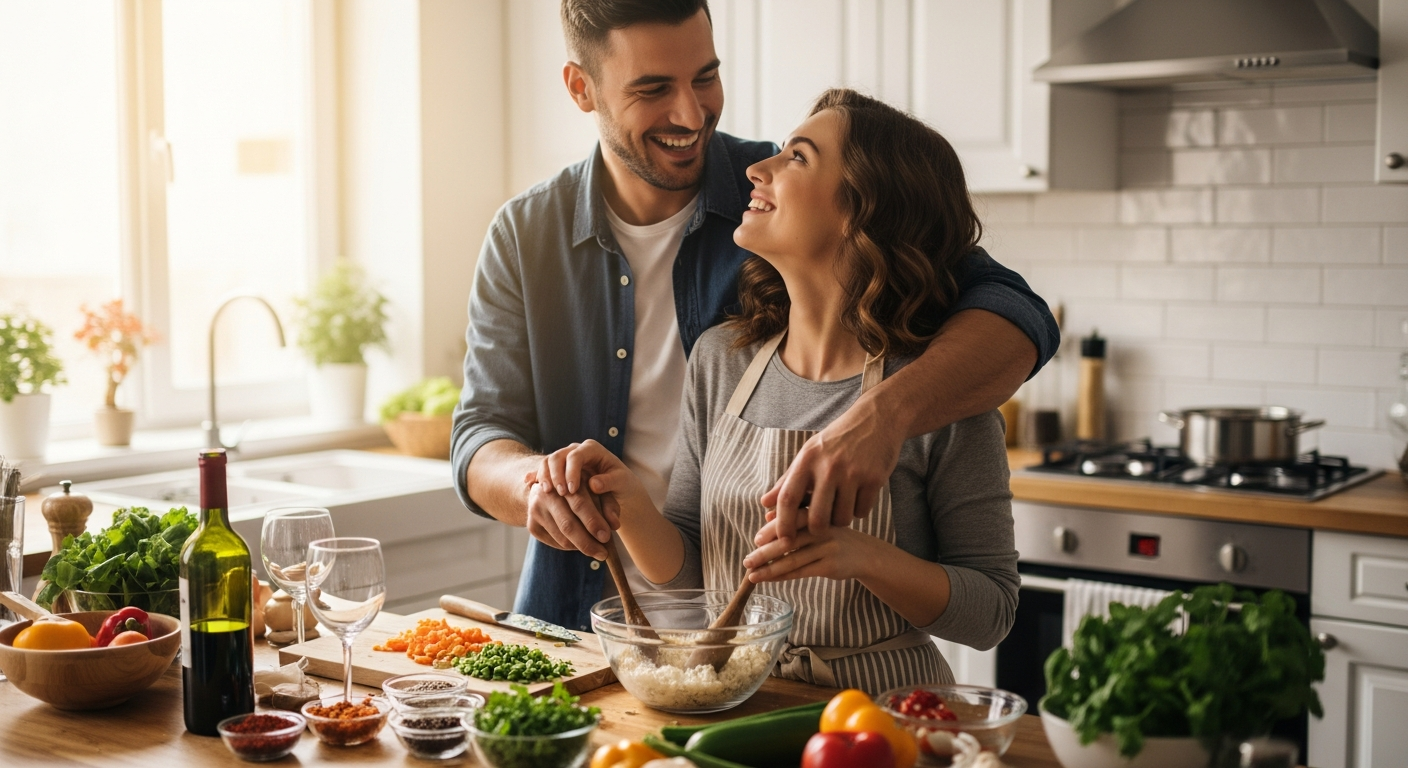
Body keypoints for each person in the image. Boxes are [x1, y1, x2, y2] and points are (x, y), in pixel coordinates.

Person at [451, 0, 1056, 632]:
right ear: (583, 88)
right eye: (654, 89)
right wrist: (539, 485)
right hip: (577, 620)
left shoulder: (778, 197)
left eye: (705, 77)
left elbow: (1016, 310)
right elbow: (477, 436)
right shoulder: (526, 236)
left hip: (767, 663)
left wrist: (880, 419)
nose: (691, 114)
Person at [539, 88, 1018, 693]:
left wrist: (863, 558)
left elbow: (992, 613)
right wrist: (626, 501)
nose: (756, 169)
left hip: (884, 719)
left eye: (798, 157)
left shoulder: (936, 393)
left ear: (861, 211)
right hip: (739, 698)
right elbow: (692, 564)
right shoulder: (722, 360)